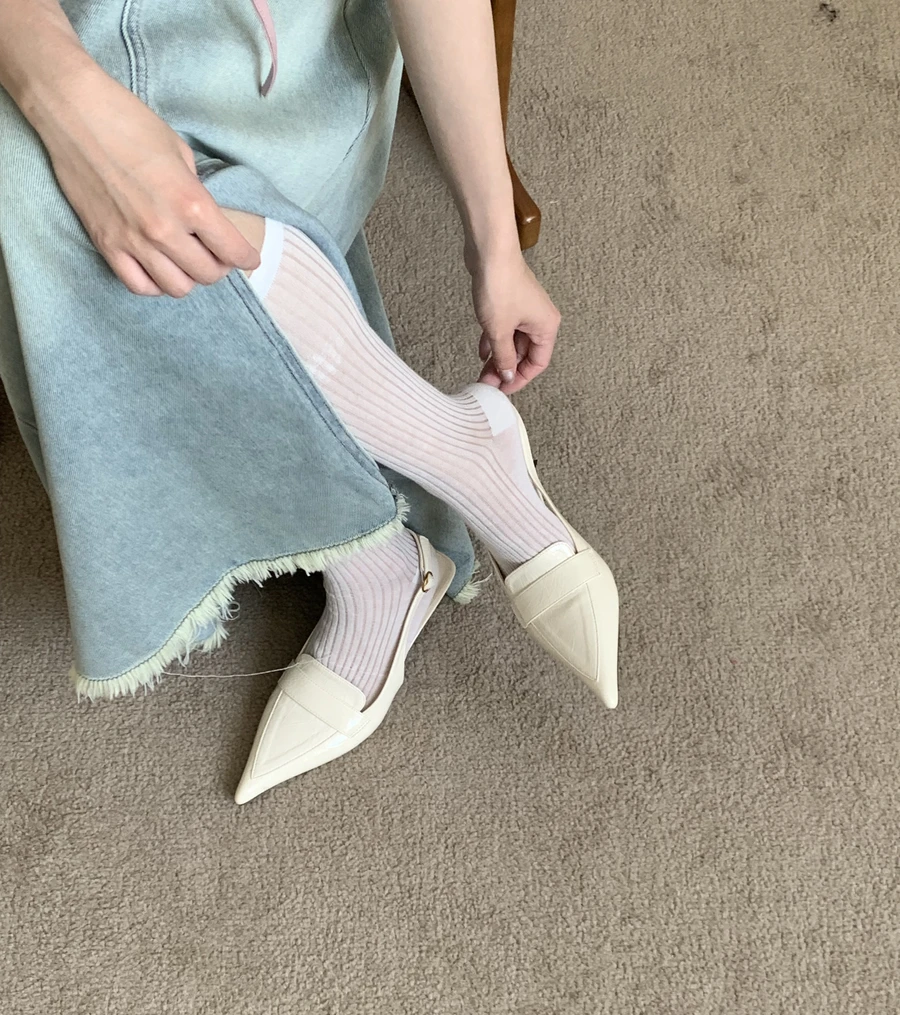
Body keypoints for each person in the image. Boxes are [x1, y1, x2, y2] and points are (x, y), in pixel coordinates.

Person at [0, 0, 619, 803]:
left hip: (263, 81)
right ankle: (404, 522)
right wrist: (63, 98)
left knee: (85, 219)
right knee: (24, 170)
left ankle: (418, 507)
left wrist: (495, 244)